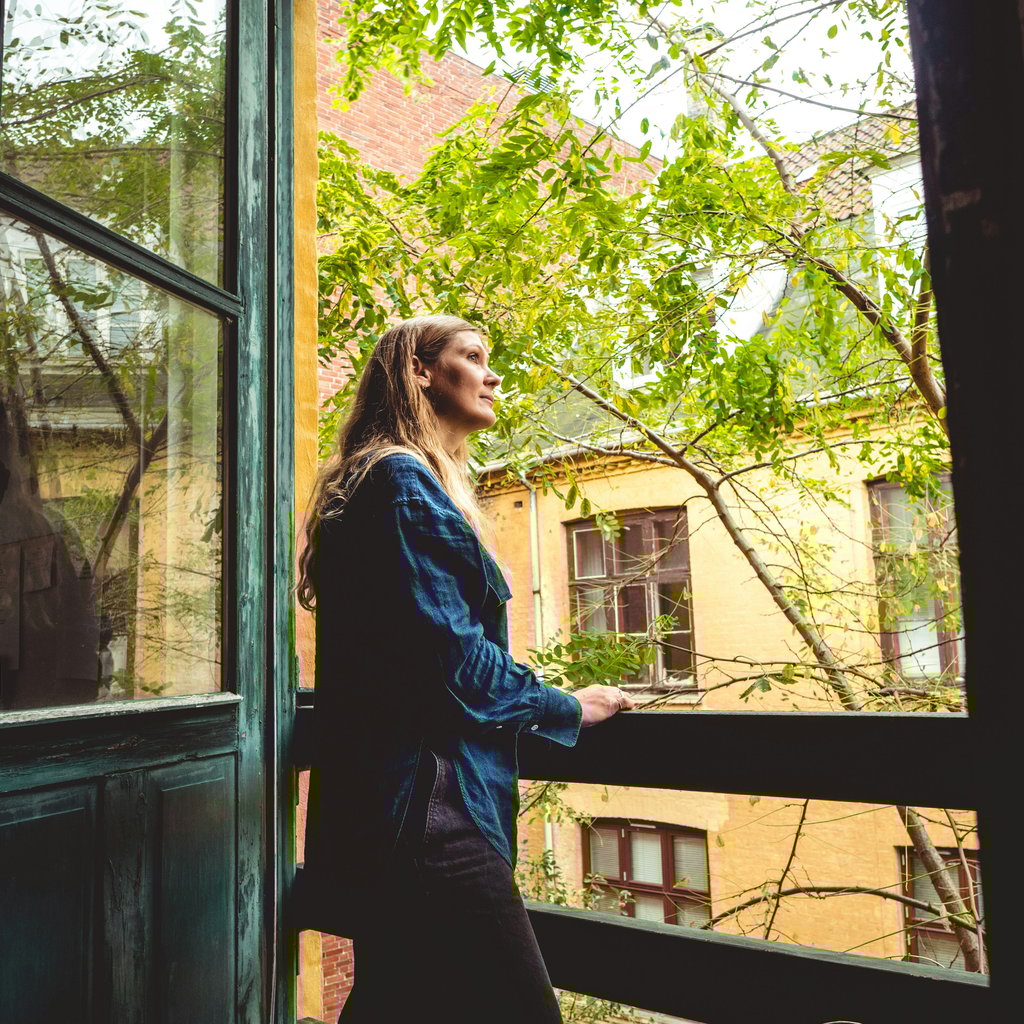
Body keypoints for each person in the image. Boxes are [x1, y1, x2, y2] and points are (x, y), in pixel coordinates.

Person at [298, 314, 635, 1022]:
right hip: (431, 816)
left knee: (394, 1005)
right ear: (420, 371)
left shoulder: (383, 481)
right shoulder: (400, 481)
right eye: (473, 356)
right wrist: (569, 707)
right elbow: (455, 663)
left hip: (395, 815)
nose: (493, 375)